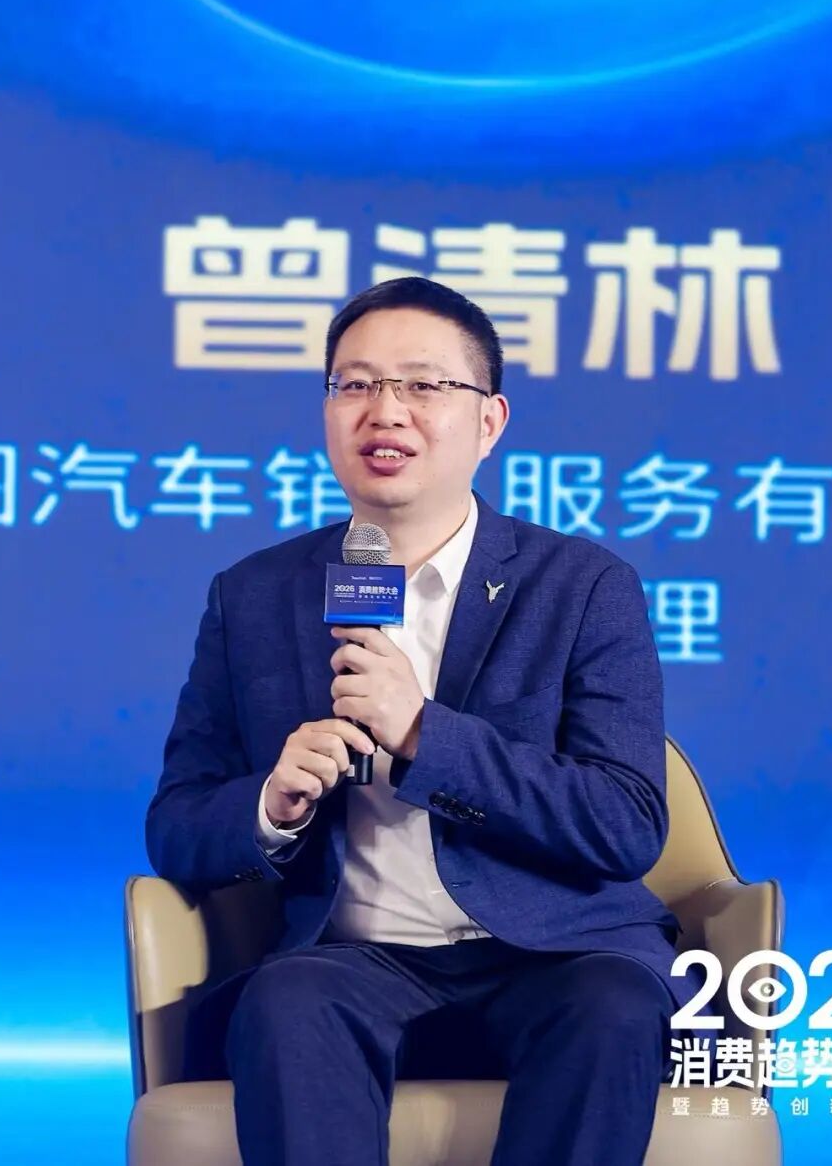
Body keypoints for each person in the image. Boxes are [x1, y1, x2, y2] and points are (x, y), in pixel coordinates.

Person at [146, 274, 701, 1166]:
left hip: (557, 954)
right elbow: (177, 826)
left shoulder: (583, 586)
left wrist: (423, 735)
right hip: (353, 959)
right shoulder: (253, 596)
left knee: (611, 1009)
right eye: (356, 384)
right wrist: (270, 808)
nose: (385, 411)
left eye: (422, 384)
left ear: (489, 421)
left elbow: (626, 823)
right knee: (286, 1004)